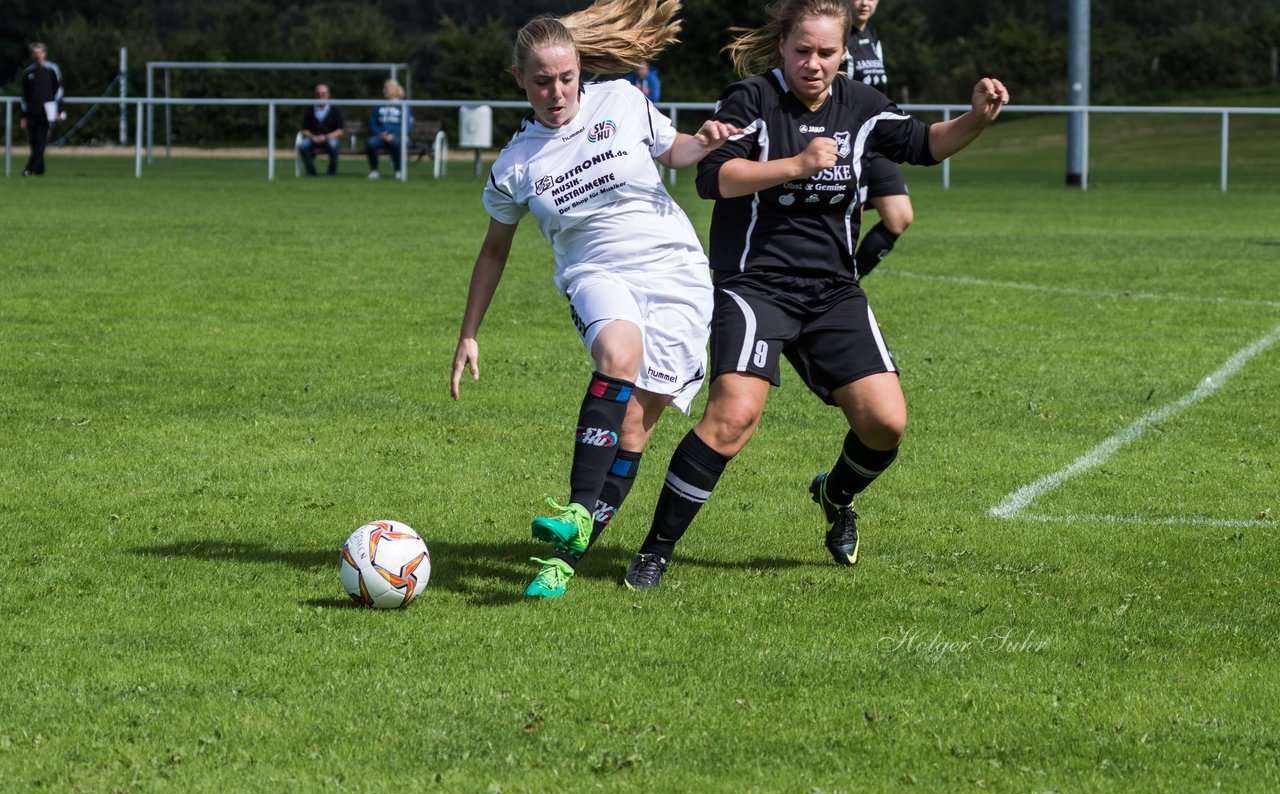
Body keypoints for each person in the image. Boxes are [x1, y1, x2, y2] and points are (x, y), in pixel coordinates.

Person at [620, 0, 1008, 588]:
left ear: (845, 52)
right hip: (755, 284)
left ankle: (835, 493)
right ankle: (655, 551)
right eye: (803, 50)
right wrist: (795, 165)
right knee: (733, 417)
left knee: (885, 423)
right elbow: (712, 179)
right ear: (782, 47)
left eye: (827, 52)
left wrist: (976, 118)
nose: (814, 63)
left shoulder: (862, 106)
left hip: (832, 290)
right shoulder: (751, 99)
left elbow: (926, 143)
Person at [449, 0, 739, 598]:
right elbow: (493, 252)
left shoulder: (624, 102)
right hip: (594, 271)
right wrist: (469, 332)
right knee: (617, 352)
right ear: (519, 81)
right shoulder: (514, 166)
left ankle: (564, 560)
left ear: (581, 71)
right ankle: (579, 509)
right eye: (541, 81)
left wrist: (703, 141)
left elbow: (674, 151)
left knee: (634, 428)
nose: (555, 92)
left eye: (565, 78)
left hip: (675, 272)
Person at [845, 0, 910, 279]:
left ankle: (849, 282)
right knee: (846, 223)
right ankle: (834, 295)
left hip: (876, 144)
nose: (864, 2)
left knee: (899, 217)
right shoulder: (836, 32)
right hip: (848, 144)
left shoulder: (871, 34)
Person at [18, 42, 65, 178]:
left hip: (48, 110)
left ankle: (29, 169)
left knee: (42, 140)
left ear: (44, 53)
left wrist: (58, 110)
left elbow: (59, 91)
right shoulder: (28, 72)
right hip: (33, 111)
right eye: (35, 53)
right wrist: (23, 115)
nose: (37, 56)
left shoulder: (52, 70)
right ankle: (40, 169)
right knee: (34, 141)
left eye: (40, 53)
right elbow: (24, 96)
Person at [366, 79, 412, 179]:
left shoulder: (403, 105)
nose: (384, 90)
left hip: (397, 137)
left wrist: (394, 135)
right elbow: (372, 122)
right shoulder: (379, 105)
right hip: (381, 136)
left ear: (394, 89)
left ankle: (398, 170)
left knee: (396, 143)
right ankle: (374, 171)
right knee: (370, 143)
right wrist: (379, 134)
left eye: (386, 88)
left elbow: (407, 124)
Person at [298, 83, 345, 176]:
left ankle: (331, 172)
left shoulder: (335, 110)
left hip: (329, 138)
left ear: (328, 94)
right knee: (303, 145)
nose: (321, 96)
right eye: (318, 94)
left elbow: (340, 130)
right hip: (313, 138)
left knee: (333, 144)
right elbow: (304, 129)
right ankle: (310, 172)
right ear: (315, 95)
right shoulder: (309, 110)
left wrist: (326, 137)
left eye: (323, 94)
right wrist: (313, 137)